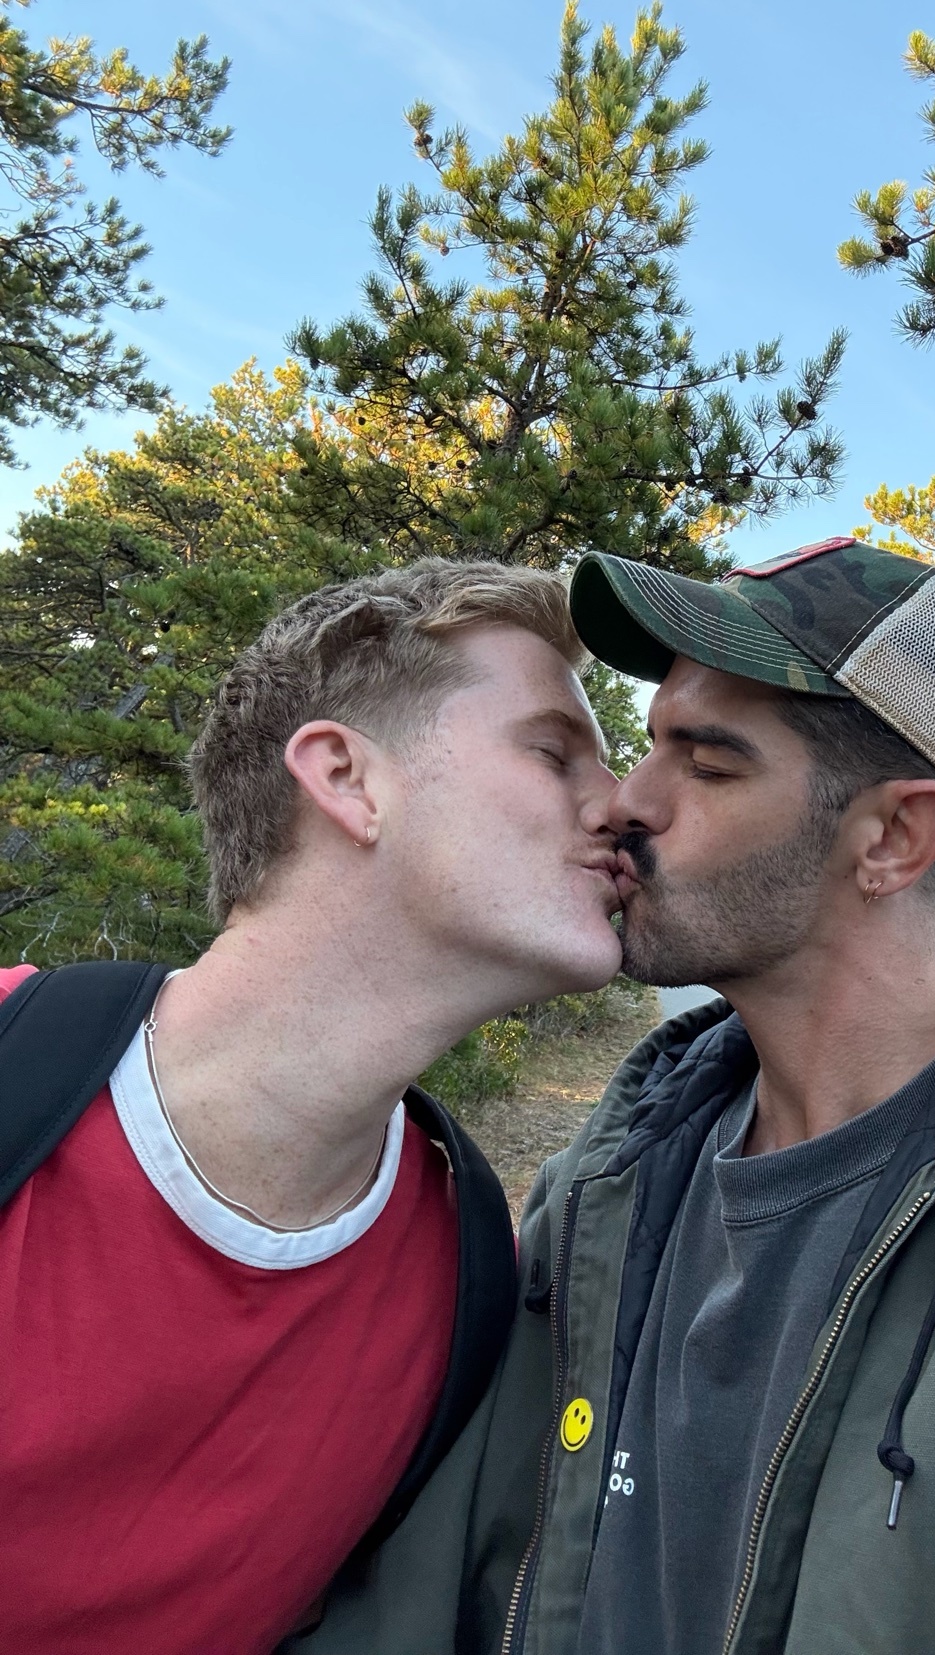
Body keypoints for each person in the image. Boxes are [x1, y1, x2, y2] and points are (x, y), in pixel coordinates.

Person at [300, 535, 935, 1655]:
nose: (623, 804)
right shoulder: (601, 1193)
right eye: (649, 744)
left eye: (706, 763)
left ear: (894, 835)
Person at [0, 559, 623, 1655]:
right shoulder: (15, 1072)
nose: (622, 806)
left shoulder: (473, 1283)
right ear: (346, 775)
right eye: (552, 749)